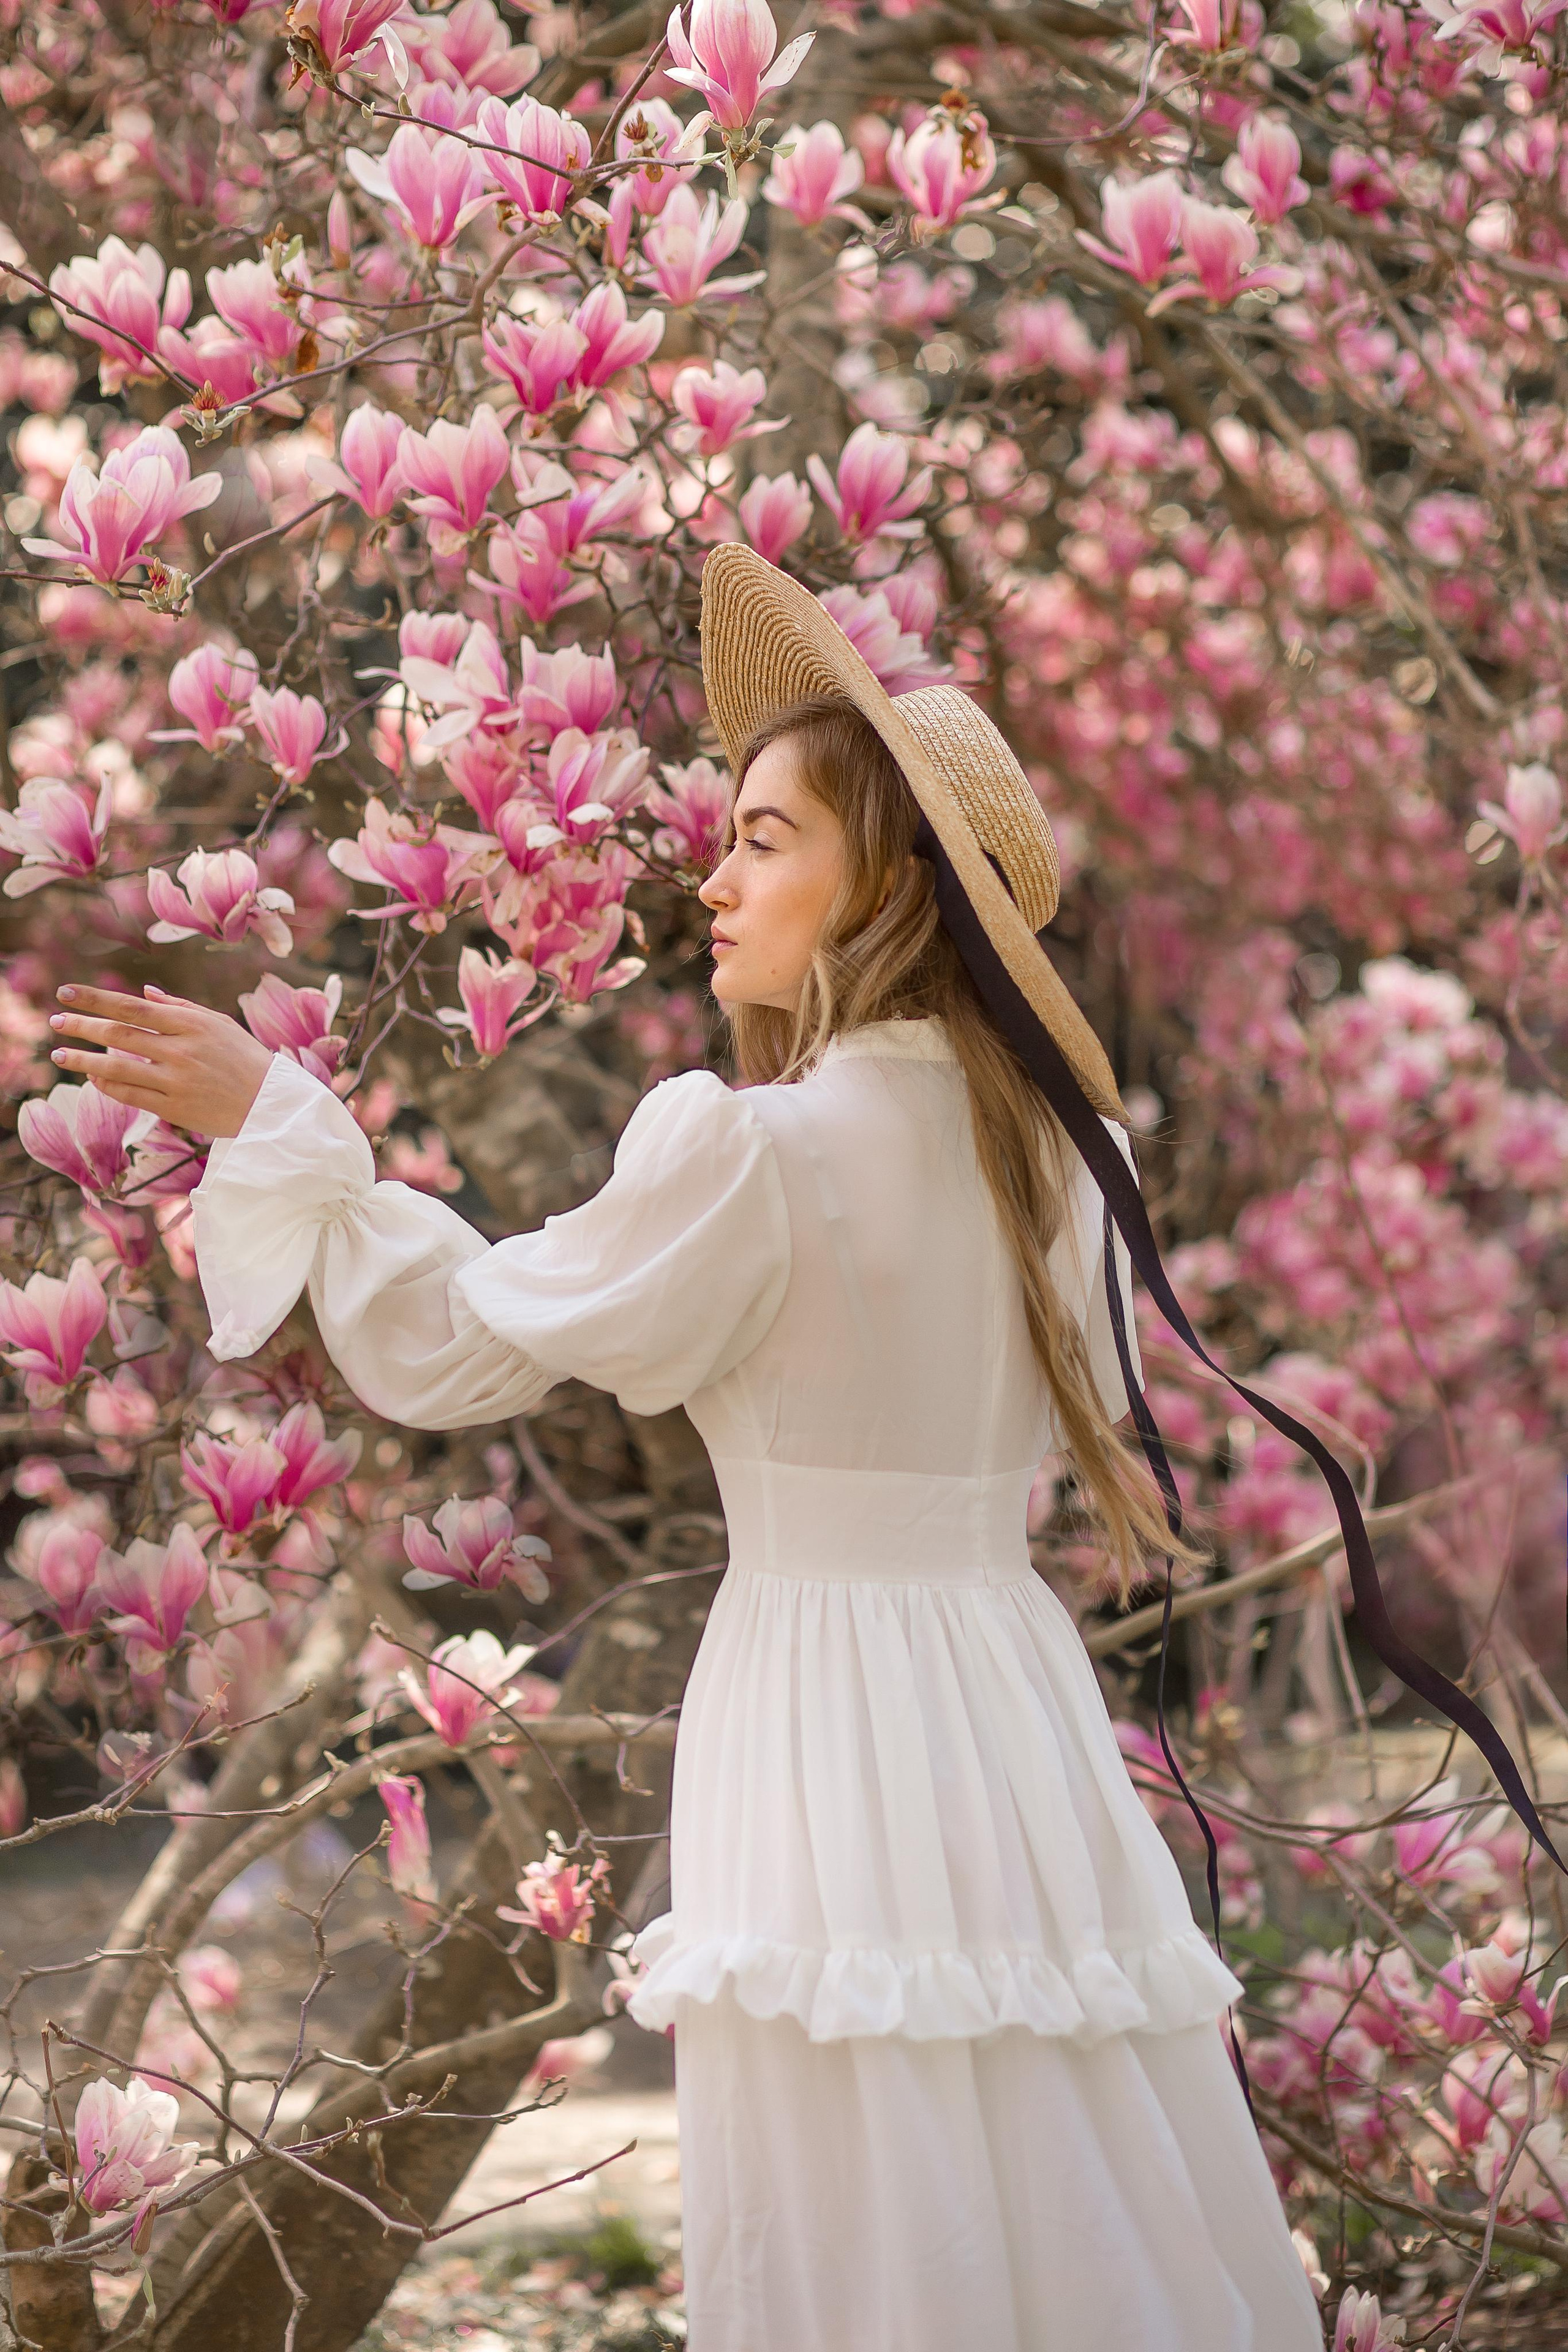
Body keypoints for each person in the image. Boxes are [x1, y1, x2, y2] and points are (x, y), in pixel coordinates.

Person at [50, 548, 1324, 2350]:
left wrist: (288, 1124)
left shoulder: (762, 1151)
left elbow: (466, 1338)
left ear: (881, 877)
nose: (712, 878)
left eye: (763, 837)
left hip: (827, 1697)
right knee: (1046, 2130)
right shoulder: (1064, 1153)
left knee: (862, 2176)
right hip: (1006, 1695)